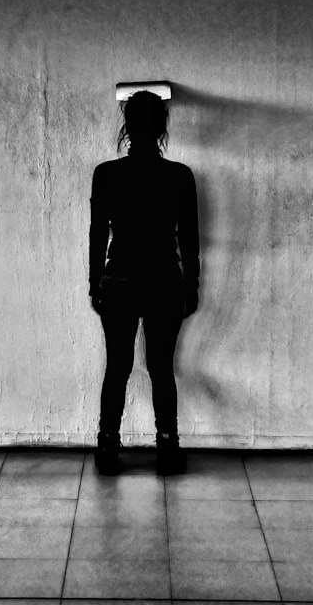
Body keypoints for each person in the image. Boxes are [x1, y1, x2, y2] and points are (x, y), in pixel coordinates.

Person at [89, 90, 200, 476]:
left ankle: (107, 448)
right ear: (162, 128)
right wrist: (193, 287)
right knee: (161, 368)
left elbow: (97, 234)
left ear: (127, 127)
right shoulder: (179, 176)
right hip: (165, 282)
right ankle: (167, 448)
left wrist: (94, 285)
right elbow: (189, 238)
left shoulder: (107, 174)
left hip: (118, 280)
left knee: (117, 367)